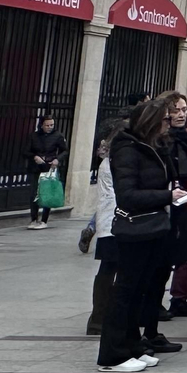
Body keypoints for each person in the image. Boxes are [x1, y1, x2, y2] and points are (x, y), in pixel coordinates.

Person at [96, 97, 185, 372]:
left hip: (154, 227)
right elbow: (128, 195)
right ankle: (112, 355)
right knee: (124, 291)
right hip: (135, 228)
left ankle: (133, 345)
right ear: (151, 122)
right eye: (164, 120)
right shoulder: (127, 149)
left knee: (140, 291)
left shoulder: (152, 146)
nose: (168, 125)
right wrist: (167, 195)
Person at [158, 93, 187, 319]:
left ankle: (178, 298)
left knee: (185, 251)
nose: (181, 114)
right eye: (175, 110)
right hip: (164, 202)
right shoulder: (162, 140)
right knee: (163, 254)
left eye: (184, 109)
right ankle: (154, 301)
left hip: (183, 202)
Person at [84, 124, 121, 333]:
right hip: (112, 222)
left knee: (108, 269)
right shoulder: (112, 164)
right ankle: (99, 316)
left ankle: (99, 316)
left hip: (109, 222)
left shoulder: (109, 162)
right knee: (109, 270)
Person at [27, 117, 67, 229]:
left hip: (49, 166)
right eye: (47, 125)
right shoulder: (34, 136)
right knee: (34, 193)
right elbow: (26, 151)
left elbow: (65, 150)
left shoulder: (58, 136)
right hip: (36, 166)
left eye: (51, 125)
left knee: (47, 192)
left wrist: (57, 159)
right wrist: (34, 157)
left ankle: (44, 220)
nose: (49, 127)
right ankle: (33, 219)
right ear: (41, 125)